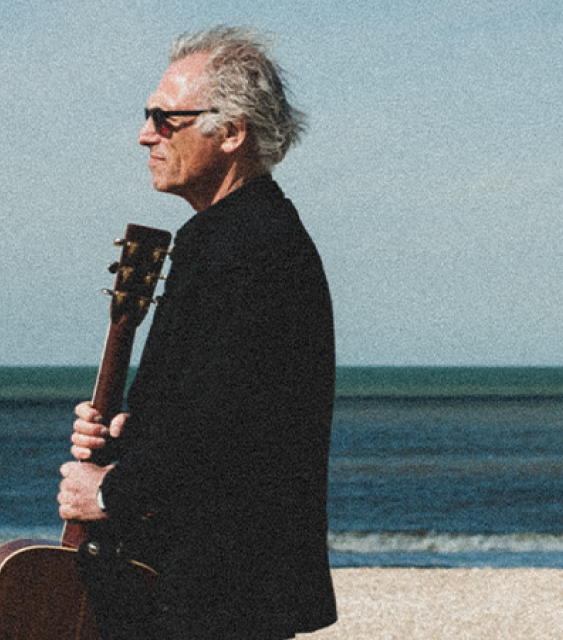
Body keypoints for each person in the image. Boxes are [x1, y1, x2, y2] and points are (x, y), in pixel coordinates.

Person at [58, 26, 337, 639]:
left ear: (231, 132)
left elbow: (221, 429)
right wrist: (131, 433)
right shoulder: (244, 236)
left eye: (165, 119)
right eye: (146, 116)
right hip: (214, 589)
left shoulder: (248, 248)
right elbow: (229, 407)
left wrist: (107, 494)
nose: (144, 134)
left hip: (213, 596)